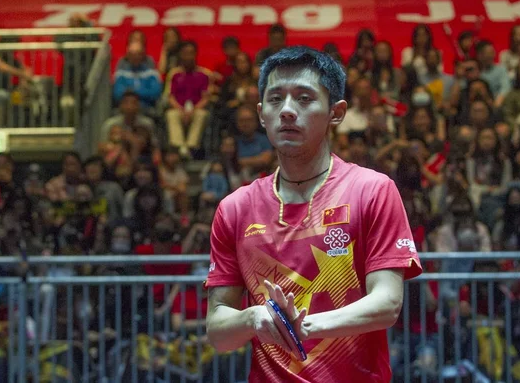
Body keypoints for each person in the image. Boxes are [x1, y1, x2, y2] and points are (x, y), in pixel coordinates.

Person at [206, 46, 421, 382]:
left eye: (304, 98)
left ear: (336, 112)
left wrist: (302, 326)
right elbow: (218, 333)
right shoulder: (235, 208)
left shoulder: (371, 191)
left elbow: (387, 303)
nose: (288, 110)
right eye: (276, 99)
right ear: (262, 114)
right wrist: (253, 318)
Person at [165, 41, 211, 157]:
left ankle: (190, 147)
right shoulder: (174, 74)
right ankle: (180, 147)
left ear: (196, 54)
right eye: (185, 53)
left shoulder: (204, 74)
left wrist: (193, 110)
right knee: (171, 114)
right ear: (180, 55)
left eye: (191, 53)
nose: (188, 56)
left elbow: (206, 98)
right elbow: (170, 97)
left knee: (201, 114)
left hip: (196, 109)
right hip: (179, 109)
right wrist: (181, 110)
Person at [112, 41, 162, 109]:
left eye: (138, 54)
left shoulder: (152, 73)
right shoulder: (121, 73)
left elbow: (155, 93)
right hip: (125, 111)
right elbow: (117, 94)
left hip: (147, 110)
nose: (135, 57)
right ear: (128, 55)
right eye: (132, 54)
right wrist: (143, 92)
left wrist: (131, 92)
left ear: (143, 55)